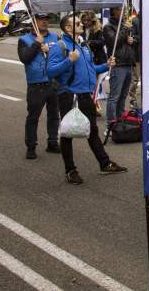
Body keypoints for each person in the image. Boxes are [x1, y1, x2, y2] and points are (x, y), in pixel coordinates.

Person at [47, 14, 127, 185]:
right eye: (76, 23)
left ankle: (105, 164)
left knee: (92, 131)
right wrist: (69, 60)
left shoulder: (83, 45)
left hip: (85, 95)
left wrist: (106, 65)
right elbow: (51, 71)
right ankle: (70, 170)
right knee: (68, 133)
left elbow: (91, 68)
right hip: (69, 96)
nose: (81, 24)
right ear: (68, 28)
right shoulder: (60, 46)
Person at [18, 13, 60, 159]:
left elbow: (62, 56)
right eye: (41, 19)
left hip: (53, 83)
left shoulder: (55, 37)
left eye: (46, 19)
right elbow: (24, 58)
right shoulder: (24, 39)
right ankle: (31, 147)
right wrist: (37, 43)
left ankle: (53, 142)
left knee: (54, 115)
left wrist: (50, 51)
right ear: (33, 21)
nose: (44, 22)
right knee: (33, 117)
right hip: (36, 85)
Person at [102, 7, 137, 124]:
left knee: (123, 96)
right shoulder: (108, 27)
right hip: (118, 65)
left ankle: (120, 122)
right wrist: (126, 28)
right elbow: (114, 42)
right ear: (114, 11)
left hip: (128, 64)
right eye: (121, 9)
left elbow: (128, 43)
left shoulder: (124, 25)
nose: (125, 12)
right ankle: (111, 124)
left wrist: (133, 40)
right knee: (114, 97)